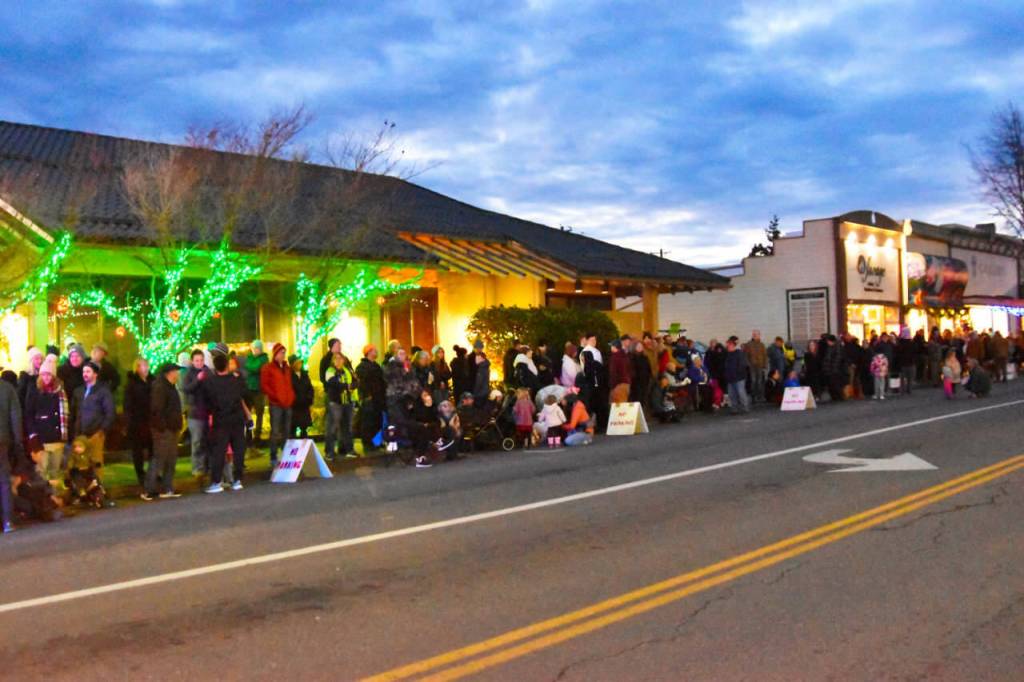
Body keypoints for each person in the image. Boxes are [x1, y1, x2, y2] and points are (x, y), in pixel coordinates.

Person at [201, 347, 250, 493]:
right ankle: (237, 479)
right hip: (237, 419)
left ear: (215, 367)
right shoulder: (236, 380)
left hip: (220, 420)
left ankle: (216, 481)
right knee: (238, 450)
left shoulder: (210, 382)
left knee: (219, 451)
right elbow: (244, 395)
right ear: (227, 366)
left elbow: (207, 402)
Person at [141, 362, 184, 501]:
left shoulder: (170, 387)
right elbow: (157, 409)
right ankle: (149, 489)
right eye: (176, 371)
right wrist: (163, 426)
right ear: (170, 373)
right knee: (159, 458)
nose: (178, 374)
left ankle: (168, 487)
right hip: (163, 430)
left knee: (171, 459)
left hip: (172, 428)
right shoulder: (160, 387)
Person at [23, 354, 68, 484]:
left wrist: (63, 435)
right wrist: (33, 435)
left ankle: (55, 498)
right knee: (41, 471)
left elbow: (63, 415)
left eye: (49, 375)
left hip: (57, 438)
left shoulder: (60, 392)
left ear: (53, 376)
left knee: (55, 471)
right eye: (43, 374)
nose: (46, 377)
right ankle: (44, 499)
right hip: (41, 439)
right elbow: (29, 415)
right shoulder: (34, 391)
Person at [72, 361, 115, 472]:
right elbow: (76, 411)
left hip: (96, 433)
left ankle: (97, 486)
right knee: (81, 462)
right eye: (84, 371)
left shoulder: (103, 391)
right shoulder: (79, 391)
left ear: (95, 374)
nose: (85, 374)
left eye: (88, 371)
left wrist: (102, 430)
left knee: (96, 462)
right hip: (81, 433)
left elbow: (110, 412)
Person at [260, 342, 295, 467]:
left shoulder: (286, 368)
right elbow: (265, 385)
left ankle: (285, 454)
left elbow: (289, 384)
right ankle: (273, 456)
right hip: (276, 403)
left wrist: (290, 397)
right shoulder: (268, 368)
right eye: (281, 353)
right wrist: (275, 396)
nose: (283, 355)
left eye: (284, 353)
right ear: (275, 354)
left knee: (286, 430)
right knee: (275, 431)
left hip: (287, 402)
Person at [0, 375, 26, 533]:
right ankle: (8, 521)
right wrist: (17, 441)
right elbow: (16, 416)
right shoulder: (7, 389)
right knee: (4, 482)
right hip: (2, 441)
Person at [123, 358, 153, 487]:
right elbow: (128, 405)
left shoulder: (153, 380)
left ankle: (153, 472)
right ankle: (140, 474)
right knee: (138, 451)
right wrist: (129, 421)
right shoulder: (132, 384)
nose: (145, 368)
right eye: (142, 366)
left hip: (151, 420)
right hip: (137, 421)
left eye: (146, 365)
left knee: (153, 448)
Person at [181, 350, 210, 477]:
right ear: (192, 361)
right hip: (195, 413)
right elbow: (185, 388)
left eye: (201, 360)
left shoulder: (208, 372)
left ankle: (205, 466)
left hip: (207, 412)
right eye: (197, 360)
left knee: (205, 441)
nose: (199, 363)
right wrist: (197, 380)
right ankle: (196, 467)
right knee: (197, 441)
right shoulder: (188, 373)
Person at [324, 352, 356, 460]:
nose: (338, 361)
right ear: (333, 361)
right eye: (336, 359)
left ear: (344, 360)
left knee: (347, 427)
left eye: (340, 358)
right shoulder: (330, 371)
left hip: (347, 401)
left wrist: (348, 386)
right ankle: (329, 452)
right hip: (335, 402)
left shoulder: (348, 371)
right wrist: (347, 386)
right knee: (332, 428)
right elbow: (333, 383)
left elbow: (356, 382)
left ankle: (349, 450)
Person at [355, 345, 385, 453]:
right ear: (368, 352)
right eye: (374, 350)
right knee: (368, 422)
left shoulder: (376, 366)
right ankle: (367, 443)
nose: (376, 352)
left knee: (377, 421)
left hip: (378, 398)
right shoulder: (362, 367)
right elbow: (362, 383)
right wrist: (367, 395)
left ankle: (376, 442)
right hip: (369, 398)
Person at [244, 340, 269, 446]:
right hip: (249, 389)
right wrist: (251, 367)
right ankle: (248, 434)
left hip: (259, 390)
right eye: (253, 348)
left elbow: (254, 367)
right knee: (248, 414)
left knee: (259, 413)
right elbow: (251, 366)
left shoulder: (264, 359)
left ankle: (257, 435)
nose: (255, 350)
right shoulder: (250, 357)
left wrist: (251, 367)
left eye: (257, 348)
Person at [288, 356, 314, 439]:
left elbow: (310, 388)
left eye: (300, 363)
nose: (299, 364)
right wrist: (294, 399)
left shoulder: (304, 375)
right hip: (294, 406)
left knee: (304, 428)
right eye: (297, 363)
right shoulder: (289, 376)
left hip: (304, 404)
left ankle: (304, 448)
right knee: (293, 429)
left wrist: (309, 398)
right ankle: (293, 451)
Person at [724, 336, 750, 414]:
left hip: (739, 378)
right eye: (727, 344)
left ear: (732, 345)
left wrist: (737, 373)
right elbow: (726, 365)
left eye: (728, 344)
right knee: (732, 395)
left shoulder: (739, 353)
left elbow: (742, 365)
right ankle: (734, 409)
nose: (727, 345)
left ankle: (745, 408)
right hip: (730, 378)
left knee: (741, 393)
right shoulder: (727, 354)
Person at [58, 344, 86, 411]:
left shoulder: (87, 370)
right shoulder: (61, 371)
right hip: (67, 408)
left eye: (77, 356)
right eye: (72, 356)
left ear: (82, 357)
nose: (74, 359)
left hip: (83, 408)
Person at [743, 331, 767, 402]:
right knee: (753, 381)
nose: (756, 336)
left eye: (757, 335)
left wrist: (764, 365)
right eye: (754, 335)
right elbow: (745, 356)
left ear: (759, 336)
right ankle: (753, 396)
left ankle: (760, 396)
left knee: (760, 381)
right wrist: (748, 364)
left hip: (760, 366)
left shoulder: (762, 345)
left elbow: (765, 355)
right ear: (752, 336)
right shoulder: (748, 344)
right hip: (752, 366)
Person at [608, 339, 632, 404]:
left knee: (618, 408)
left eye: (611, 346)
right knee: (623, 405)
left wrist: (612, 386)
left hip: (618, 385)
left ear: (615, 347)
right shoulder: (625, 356)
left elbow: (613, 373)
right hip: (627, 384)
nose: (611, 348)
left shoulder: (615, 357)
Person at [895, 328, 915, 395]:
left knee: (903, 378)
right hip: (910, 362)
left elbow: (898, 352)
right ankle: (909, 390)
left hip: (903, 363)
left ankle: (903, 391)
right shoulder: (911, 342)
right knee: (910, 378)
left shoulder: (900, 342)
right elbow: (914, 352)